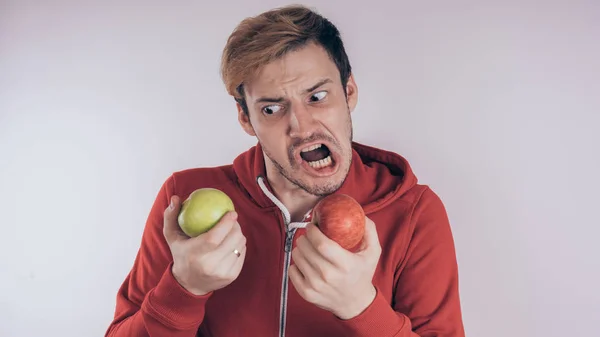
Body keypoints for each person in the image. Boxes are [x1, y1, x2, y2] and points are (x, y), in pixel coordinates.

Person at [105, 5, 465, 337]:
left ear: (349, 91)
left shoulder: (415, 213)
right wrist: (183, 288)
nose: (302, 126)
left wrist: (362, 308)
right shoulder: (182, 199)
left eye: (317, 97)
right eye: (272, 109)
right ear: (246, 118)